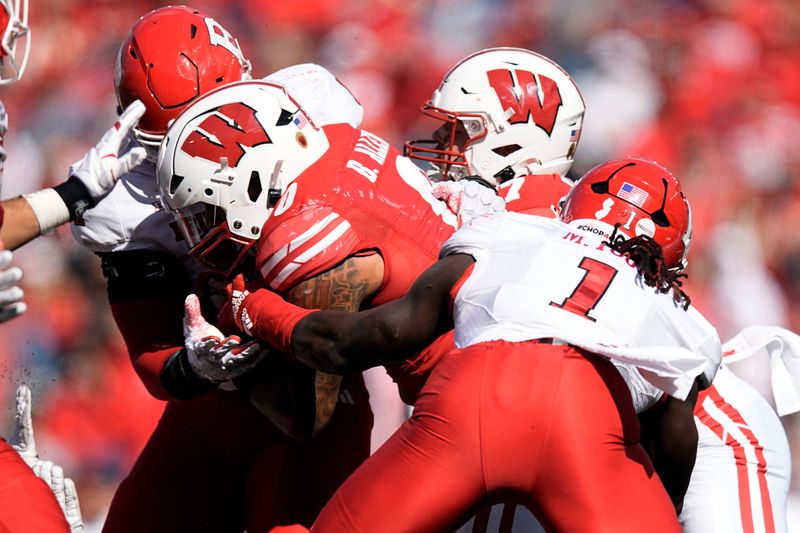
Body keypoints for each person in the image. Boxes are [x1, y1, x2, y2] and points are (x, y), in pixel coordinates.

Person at [207, 157, 721, 532]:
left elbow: (363, 340)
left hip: (473, 399)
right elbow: (677, 441)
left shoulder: (506, 232)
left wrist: (249, 309)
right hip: (584, 425)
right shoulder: (682, 319)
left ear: (572, 204)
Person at [70, 6, 375, 532]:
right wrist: (193, 367)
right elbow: (149, 345)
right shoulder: (126, 199)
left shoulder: (310, 110)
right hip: (215, 403)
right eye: (173, 137)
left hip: (312, 384)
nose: (197, 150)